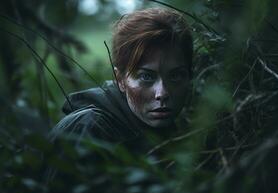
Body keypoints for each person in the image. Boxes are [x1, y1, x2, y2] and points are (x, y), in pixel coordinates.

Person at [50, 7, 194, 151]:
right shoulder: (88, 129)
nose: (162, 93)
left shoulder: (179, 132)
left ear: (190, 76)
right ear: (120, 80)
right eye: (146, 76)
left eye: (175, 76)